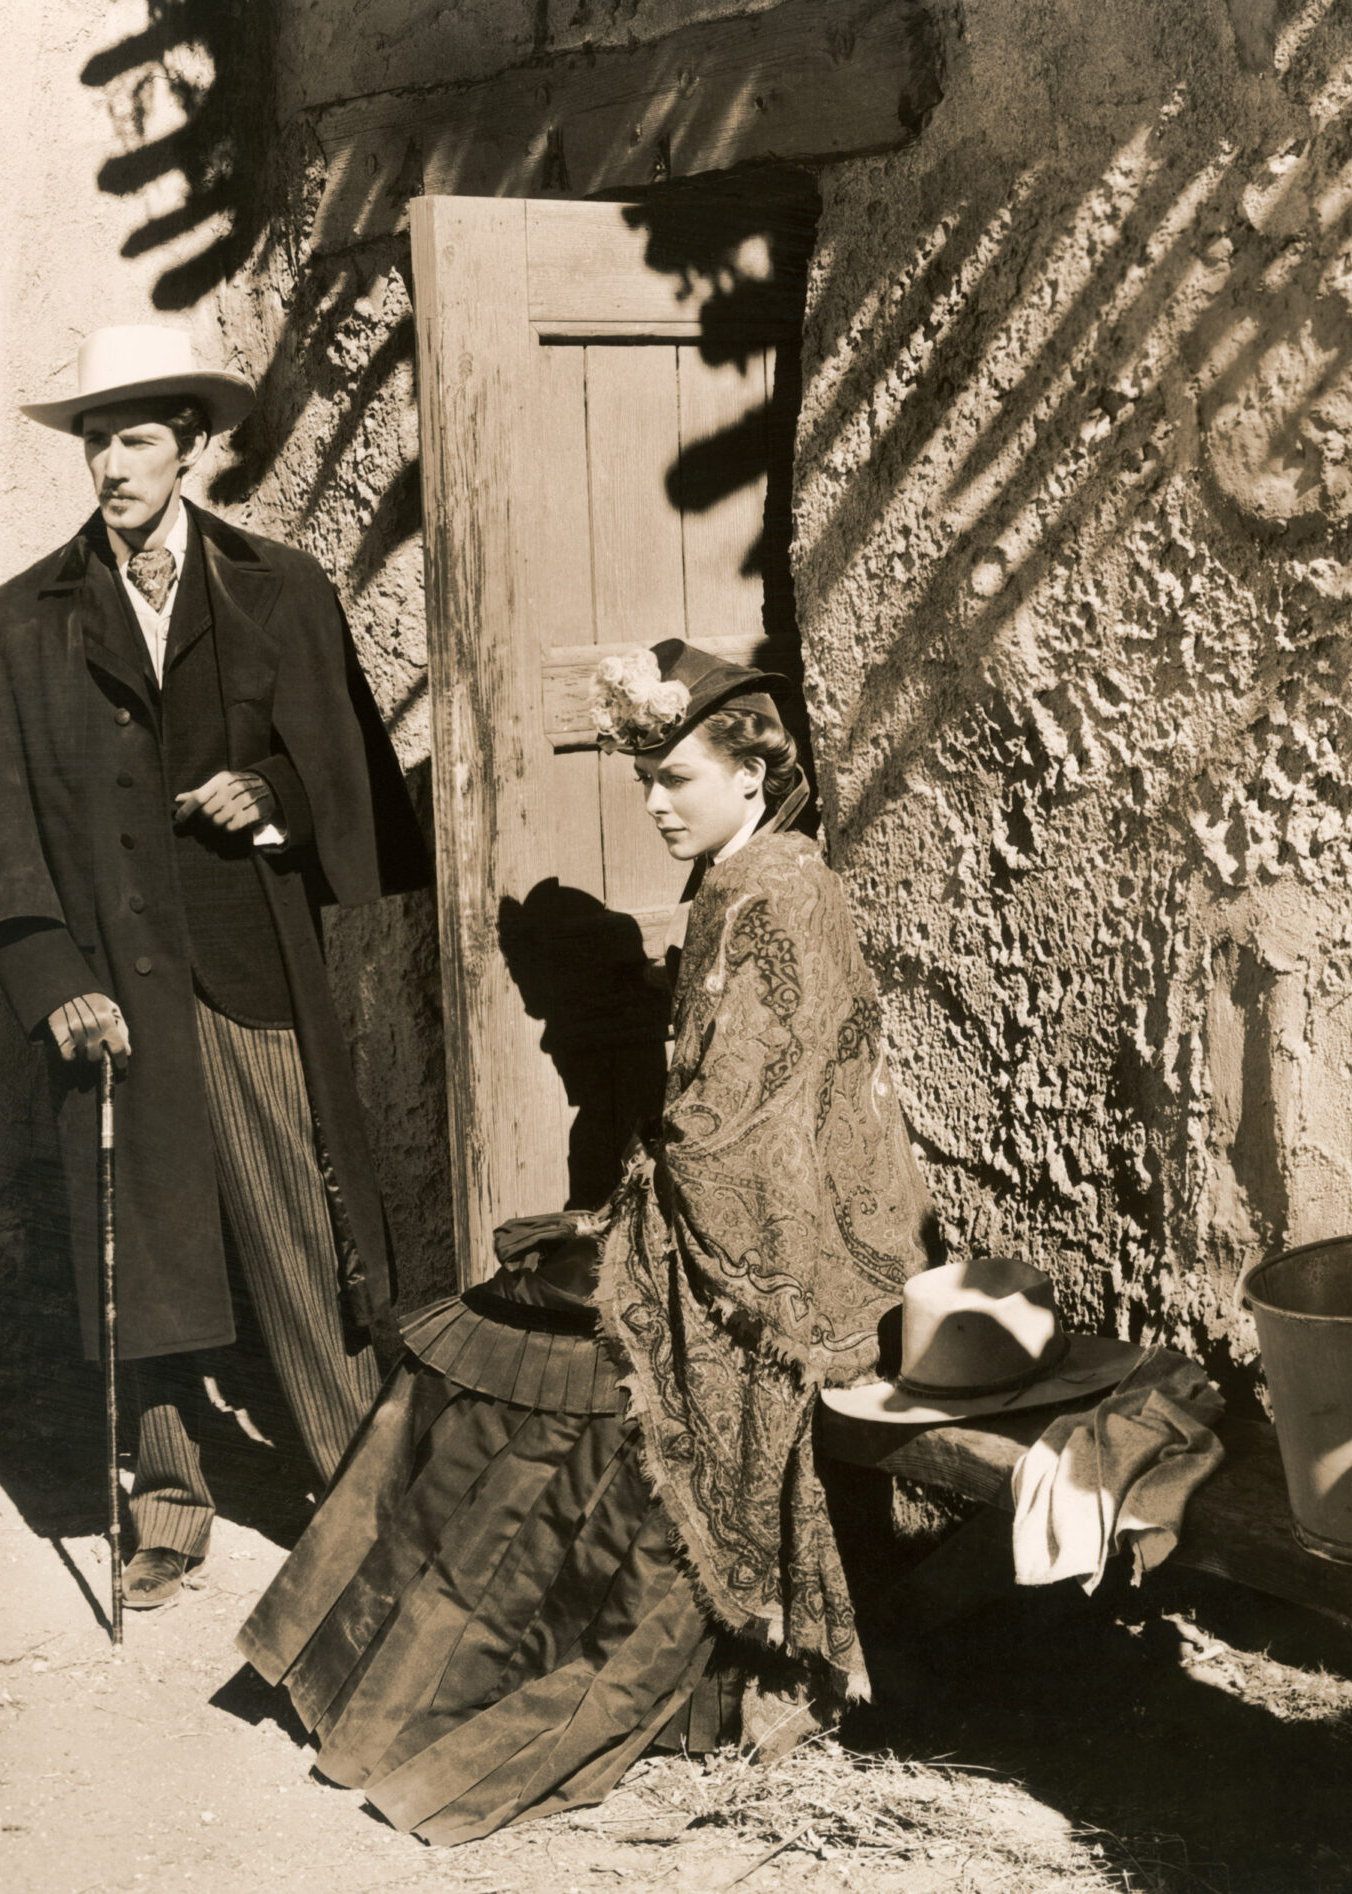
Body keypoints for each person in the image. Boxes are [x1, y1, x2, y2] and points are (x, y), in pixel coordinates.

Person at [235, 641, 929, 1846]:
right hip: (723, 1205)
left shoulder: (780, 891)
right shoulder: (741, 879)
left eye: (677, 779)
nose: (655, 804)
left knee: (531, 1338)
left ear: (753, 775)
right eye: (645, 782)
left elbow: (755, 1124)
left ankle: (500, 1664)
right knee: (498, 1326)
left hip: (789, 1243)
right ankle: (384, 1656)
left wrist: (639, 1214)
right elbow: (719, 1111)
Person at [0, 325, 430, 1609]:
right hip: (111, 977)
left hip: (244, 964)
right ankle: (165, 1500)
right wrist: (55, 980)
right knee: (137, 1238)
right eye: (96, 442)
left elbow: (350, 780)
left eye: (139, 439)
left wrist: (265, 791)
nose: (112, 465)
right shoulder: (26, 619)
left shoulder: (277, 586)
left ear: (193, 447)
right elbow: (1, 831)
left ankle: (357, 1486)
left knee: (297, 1222)